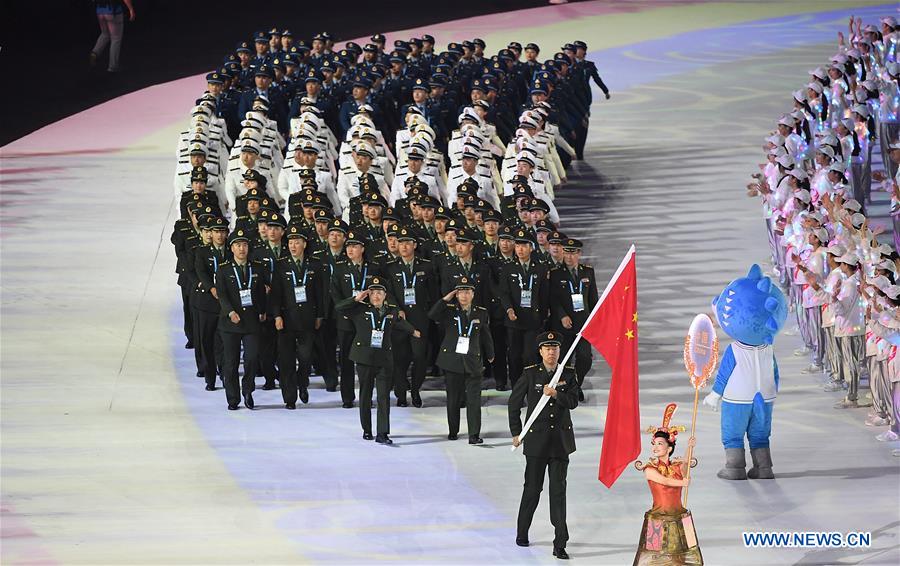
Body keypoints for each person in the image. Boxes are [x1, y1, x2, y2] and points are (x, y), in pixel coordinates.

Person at [509, 331, 580, 560]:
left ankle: (560, 543)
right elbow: (514, 403)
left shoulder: (568, 374)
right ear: (540, 351)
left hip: (560, 443)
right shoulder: (531, 374)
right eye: (547, 348)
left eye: (555, 348)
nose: (551, 352)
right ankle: (522, 532)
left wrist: (556, 393)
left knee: (558, 493)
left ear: (560, 351)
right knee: (532, 489)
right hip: (537, 442)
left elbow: (573, 402)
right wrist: (516, 432)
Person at [335, 277, 419, 444]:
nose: (375, 296)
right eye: (372, 293)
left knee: (383, 397)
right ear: (368, 294)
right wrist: (355, 298)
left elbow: (401, 323)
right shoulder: (358, 309)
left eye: (379, 293)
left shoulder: (391, 311)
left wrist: (414, 331)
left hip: (384, 360)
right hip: (364, 358)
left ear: (385, 295)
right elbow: (338, 307)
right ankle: (367, 429)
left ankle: (382, 433)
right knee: (365, 395)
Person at [632, 404, 703, 566]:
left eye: (660, 444)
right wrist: (682, 483)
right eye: (654, 443)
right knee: (654, 557)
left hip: (680, 516)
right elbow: (664, 481)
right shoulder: (650, 469)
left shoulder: (676, 466)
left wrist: (689, 447)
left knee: (683, 556)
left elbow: (684, 467)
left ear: (669, 448)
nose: (655, 447)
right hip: (657, 518)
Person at [429, 278, 494, 443]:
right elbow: (432, 314)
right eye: (460, 292)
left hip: (473, 361)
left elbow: (486, 335)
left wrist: (490, 354)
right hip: (452, 361)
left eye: (467, 292)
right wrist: (446, 299)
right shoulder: (449, 310)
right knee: (453, 399)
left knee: (474, 401)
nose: (463, 295)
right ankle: (453, 431)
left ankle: (474, 434)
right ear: (456, 295)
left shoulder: (481, 312)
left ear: (473, 294)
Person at [269, 223, 325, 409]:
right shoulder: (281, 265)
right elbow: (276, 294)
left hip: (308, 320)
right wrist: (276, 315)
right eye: (291, 242)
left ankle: (302, 382)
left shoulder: (314, 265)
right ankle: (290, 397)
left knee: (306, 357)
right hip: (286, 321)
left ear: (305, 244)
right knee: (286, 361)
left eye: (297, 242)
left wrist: (319, 315)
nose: (293, 245)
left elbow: (320, 293)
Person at [216, 229, 267, 410]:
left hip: (252, 321)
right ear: (231, 248)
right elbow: (222, 295)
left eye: (244, 245)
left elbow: (261, 293)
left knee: (252, 358)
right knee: (231, 363)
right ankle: (233, 397)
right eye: (238, 245)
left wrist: (263, 311)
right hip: (230, 324)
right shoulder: (223, 269)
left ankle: (248, 390)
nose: (242, 249)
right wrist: (230, 312)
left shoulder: (257, 268)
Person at [89, 0, 136, 73]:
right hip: (113, 11)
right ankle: (113, 67)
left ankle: (94, 53)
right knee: (116, 38)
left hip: (100, 11)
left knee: (105, 34)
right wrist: (131, 9)